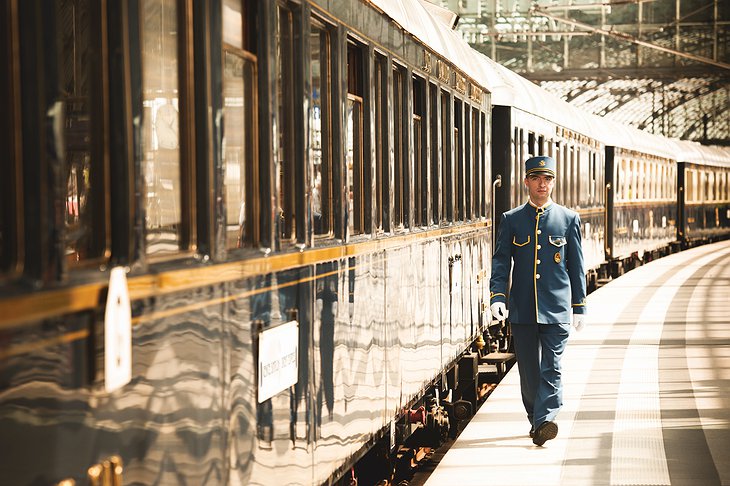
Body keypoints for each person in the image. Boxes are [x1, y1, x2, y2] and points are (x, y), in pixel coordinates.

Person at [489, 155, 587, 446]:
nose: (542, 184)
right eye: (536, 178)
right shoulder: (511, 219)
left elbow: (576, 266)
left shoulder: (569, 219)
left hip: (556, 310)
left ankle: (546, 420)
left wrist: (579, 305)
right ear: (526, 182)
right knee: (529, 372)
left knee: (552, 366)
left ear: (553, 183)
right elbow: (501, 262)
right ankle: (536, 419)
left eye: (547, 179)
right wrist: (497, 296)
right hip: (522, 309)